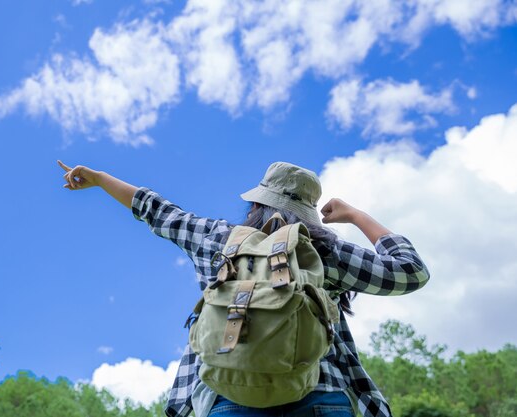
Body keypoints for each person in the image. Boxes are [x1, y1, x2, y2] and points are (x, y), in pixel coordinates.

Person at [57, 160, 430, 417]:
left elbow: (156, 209)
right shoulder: (324, 250)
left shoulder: (218, 238)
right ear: (308, 213)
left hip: (228, 395)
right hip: (321, 393)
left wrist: (101, 178)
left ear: (256, 200)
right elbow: (411, 271)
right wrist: (354, 215)